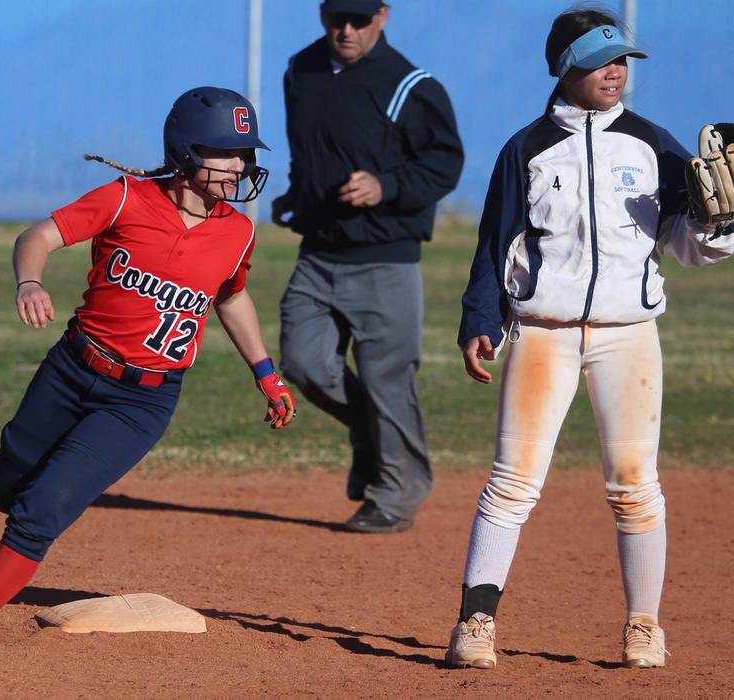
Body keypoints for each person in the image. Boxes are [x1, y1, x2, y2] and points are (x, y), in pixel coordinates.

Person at [0, 86, 296, 675]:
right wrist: (30, 281)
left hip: (141, 401)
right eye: (224, 152)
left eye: (244, 154)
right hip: (72, 368)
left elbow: (233, 296)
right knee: (10, 482)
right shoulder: (125, 197)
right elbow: (37, 237)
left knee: (42, 508)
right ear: (184, 152)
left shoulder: (238, 233)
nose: (238, 166)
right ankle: (15, 516)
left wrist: (266, 374)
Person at [445, 8, 734, 671]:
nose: (615, 71)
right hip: (545, 333)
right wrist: (479, 320)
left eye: (623, 60)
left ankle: (643, 627)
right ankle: (476, 622)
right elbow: (496, 243)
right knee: (512, 484)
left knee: (635, 485)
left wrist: (720, 228)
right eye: (600, 60)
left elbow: (687, 246)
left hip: (627, 335)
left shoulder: (654, 143)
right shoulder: (527, 148)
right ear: (563, 69)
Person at [271, 0, 463, 533]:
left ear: (382, 15)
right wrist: (297, 192)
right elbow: (309, 146)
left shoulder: (411, 85)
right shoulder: (301, 69)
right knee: (303, 362)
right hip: (318, 252)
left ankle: (397, 495)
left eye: (358, 19)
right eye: (337, 18)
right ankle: (370, 434)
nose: (346, 29)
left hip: (386, 259)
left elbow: (444, 162)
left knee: (388, 381)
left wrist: (388, 186)